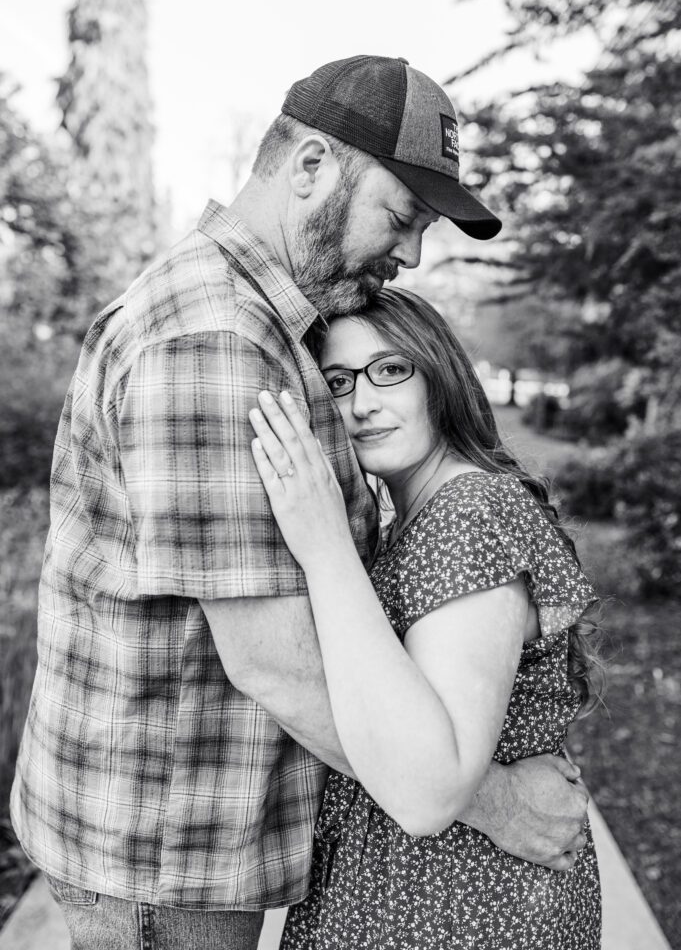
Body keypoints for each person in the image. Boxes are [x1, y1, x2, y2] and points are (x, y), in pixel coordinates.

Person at [11, 56, 588, 950]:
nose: (412, 254)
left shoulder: (266, 326)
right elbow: (276, 664)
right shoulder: (215, 341)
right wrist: (501, 805)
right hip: (169, 852)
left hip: (182, 836)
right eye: (402, 216)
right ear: (310, 165)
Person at [249, 287, 602, 950]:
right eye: (337, 382)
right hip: (424, 887)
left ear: (436, 373)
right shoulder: (419, 515)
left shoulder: (468, 514)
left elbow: (424, 794)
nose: (361, 404)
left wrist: (321, 543)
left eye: (389, 370)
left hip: (457, 903)